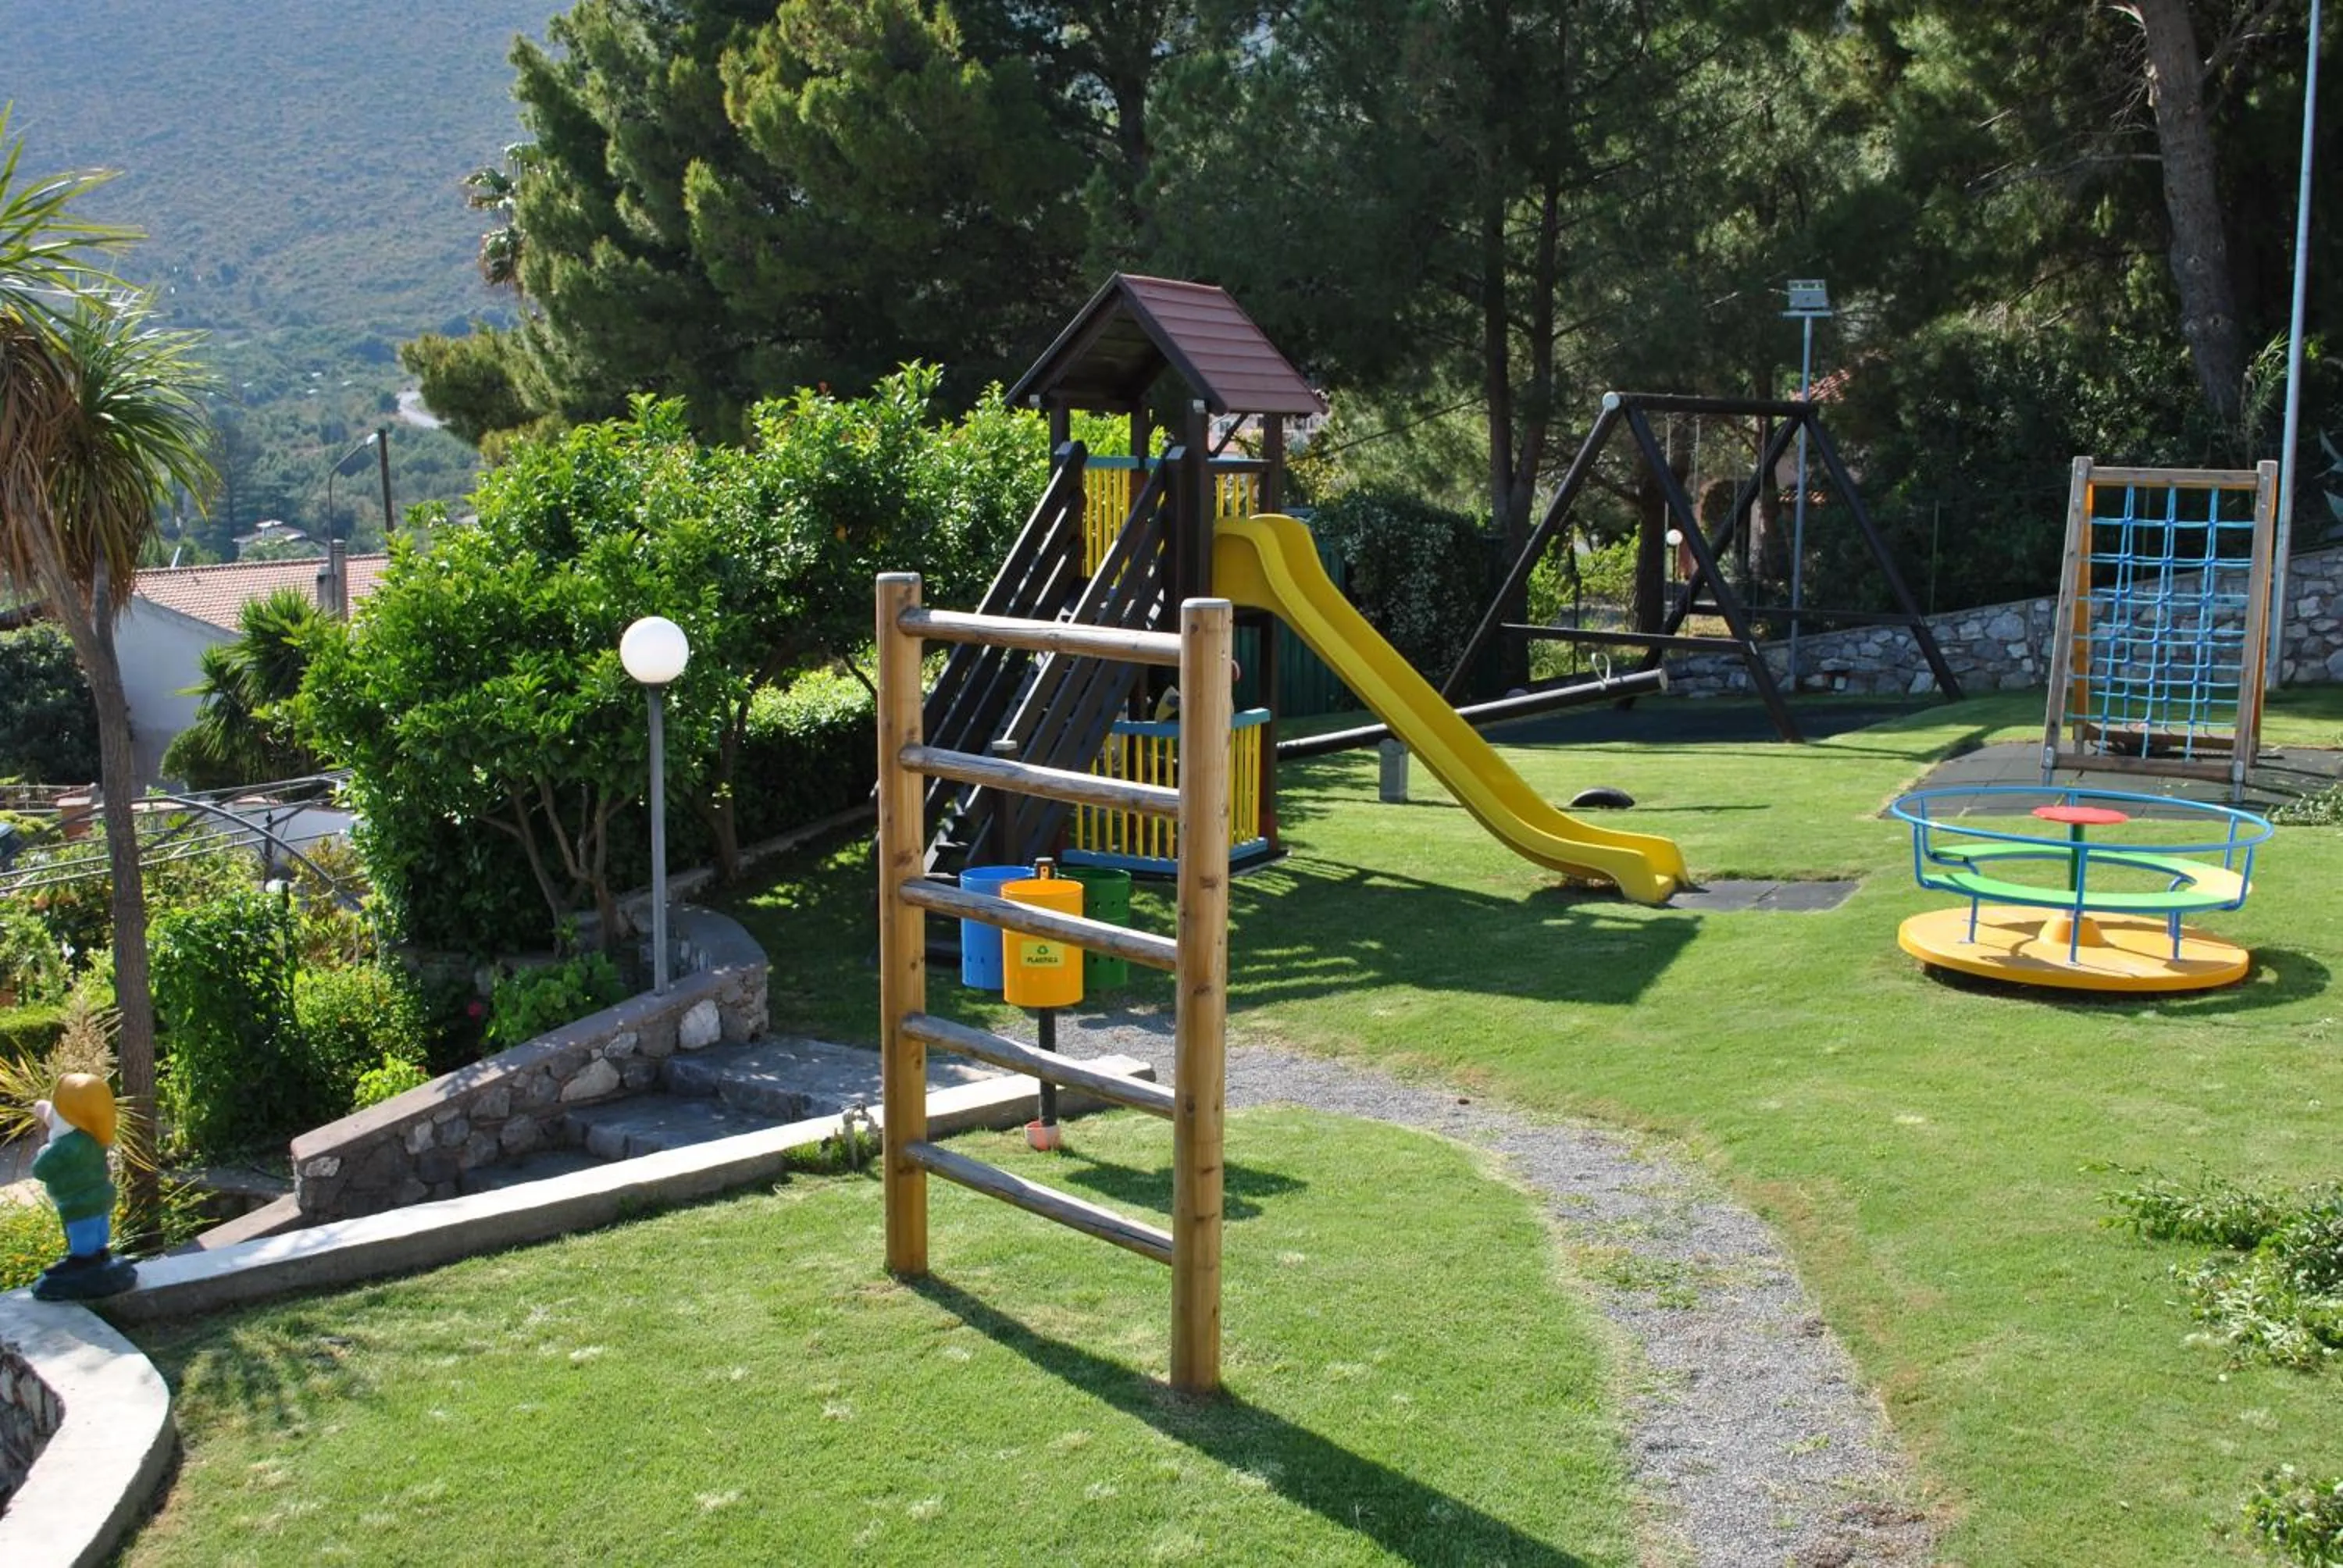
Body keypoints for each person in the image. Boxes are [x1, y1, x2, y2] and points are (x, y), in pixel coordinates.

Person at [30, 1072, 137, 1301]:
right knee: (98, 1226)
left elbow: (40, 1170)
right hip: (101, 1196)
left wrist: (43, 1152)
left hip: (78, 1202)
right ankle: (100, 1254)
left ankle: (82, 1260)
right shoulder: (93, 1137)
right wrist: (43, 1109)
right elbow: (53, 1117)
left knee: (82, 1231)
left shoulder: (65, 1146)